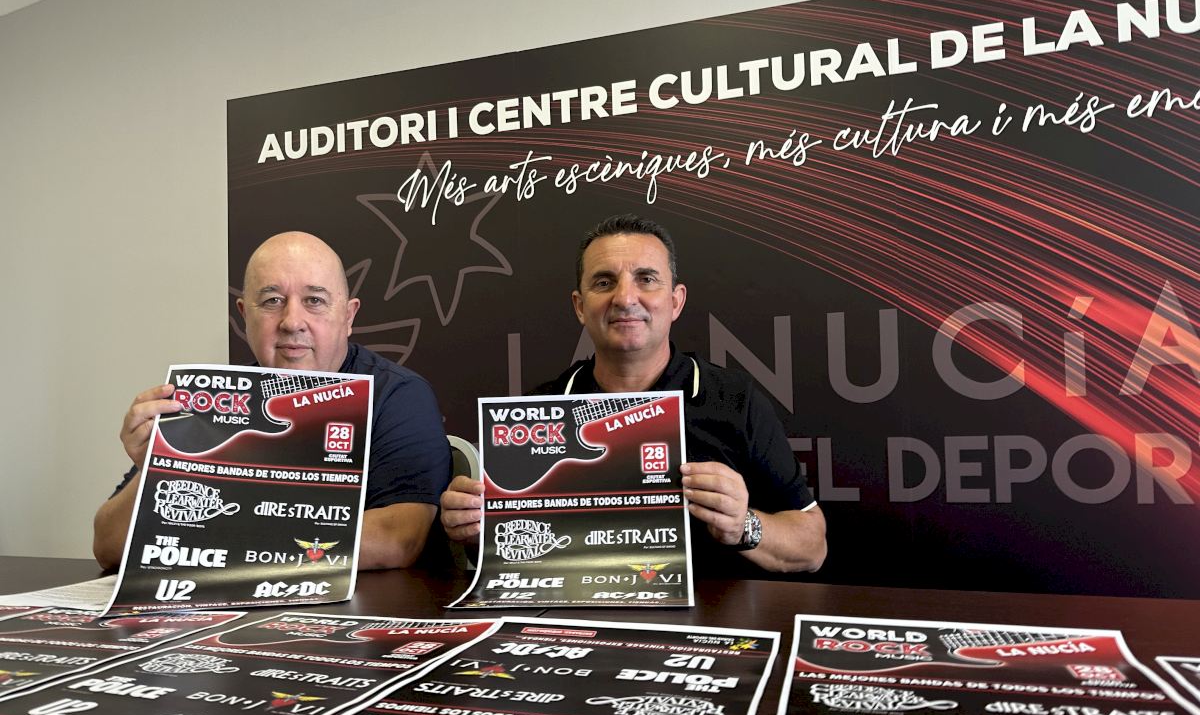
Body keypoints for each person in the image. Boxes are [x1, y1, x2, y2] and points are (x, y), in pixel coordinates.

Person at [440, 213, 826, 576]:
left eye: (646, 279)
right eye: (604, 282)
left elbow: (812, 546)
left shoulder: (734, 400)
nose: (625, 298)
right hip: (574, 615)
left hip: (709, 620)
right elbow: (508, 551)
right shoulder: (536, 413)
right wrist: (475, 530)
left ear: (675, 301)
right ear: (580, 306)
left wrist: (744, 525)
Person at [93, 231, 450, 571]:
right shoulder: (215, 400)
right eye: (272, 301)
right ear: (244, 315)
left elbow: (397, 540)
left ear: (348, 315)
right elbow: (109, 546)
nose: (292, 321)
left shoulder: (397, 395)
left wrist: (216, 543)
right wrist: (157, 467)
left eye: (314, 301)